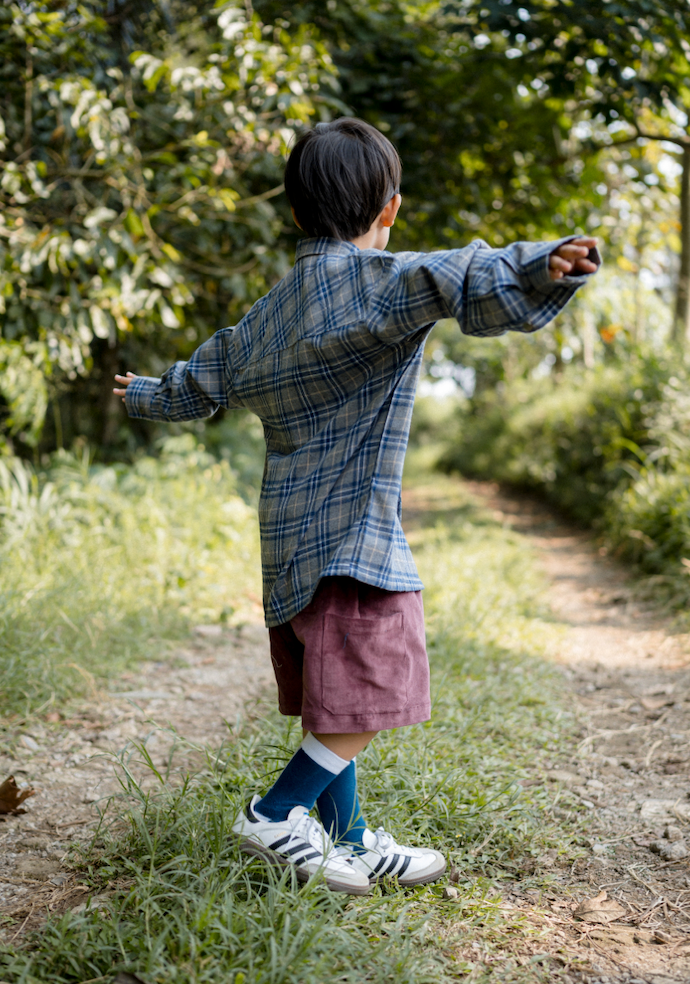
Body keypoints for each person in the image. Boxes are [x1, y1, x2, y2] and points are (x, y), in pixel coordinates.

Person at [114, 117, 599, 897]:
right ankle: (276, 813)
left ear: (299, 214)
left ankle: (354, 839)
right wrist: (546, 266)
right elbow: (468, 276)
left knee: (330, 698)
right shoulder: (383, 284)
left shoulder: (266, 317)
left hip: (289, 545)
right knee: (371, 697)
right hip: (357, 541)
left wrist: (145, 393)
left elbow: (204, 378)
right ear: (391, 210)